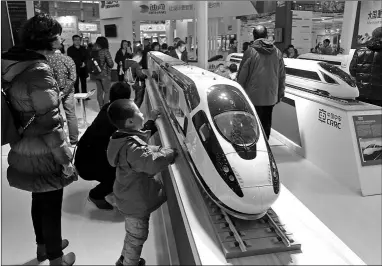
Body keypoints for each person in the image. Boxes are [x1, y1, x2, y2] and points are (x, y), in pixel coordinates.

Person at [1, 13, 77, 265]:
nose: (60, 39)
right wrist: (66, 158)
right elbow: (50, 122)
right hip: (44, 148)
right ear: (45, 39)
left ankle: (44, 247)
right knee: (51, 202)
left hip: (24, 143)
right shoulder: (38, 71)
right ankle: (56, 257)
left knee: (39, 197)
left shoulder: (14, 64)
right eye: (57, 35)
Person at [106, 99, 178, 266]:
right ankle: (130, 263)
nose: (142, 114)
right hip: (135, 202)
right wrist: (169, 153)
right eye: (139, 112)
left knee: (132, 234)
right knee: (137, 236)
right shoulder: (131, 147)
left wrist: (151, 122)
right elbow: (150, 163)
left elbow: (140, 141)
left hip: (126, 195)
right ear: (130, 121)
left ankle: (124, 259)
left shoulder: (120, 138)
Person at [74, 82, 158, 210]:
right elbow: (138, 135)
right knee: (122, 171)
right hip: (87, 165)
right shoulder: (118, 118)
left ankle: (109, 186)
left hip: (83, 158)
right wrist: (152, 121)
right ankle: (96, 195)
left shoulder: (109, 108)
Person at [237, 25, 285, 140]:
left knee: (252, 122)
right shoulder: (277, 52)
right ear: (266, 35)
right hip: (271, 95)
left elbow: (242, 75)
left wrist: (239, 93)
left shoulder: (250, 51)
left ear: (254, 36)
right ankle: (266, 145)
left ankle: (254, 147)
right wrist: (280, 93)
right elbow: (282, 75)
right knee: (266, 122)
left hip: (252, 96)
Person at [46, 49, 79, 146]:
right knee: (71, 115)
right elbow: (73, 77)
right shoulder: (68, 59)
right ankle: (74, 141)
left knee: (56, 115)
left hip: (53, 91)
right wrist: (64, 91)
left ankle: (60, 139)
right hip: (68, 91)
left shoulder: (47, 60)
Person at [350, 27, 382, 107]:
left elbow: (352, 70)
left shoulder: (360, 50)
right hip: (379, 95)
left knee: (362, 115)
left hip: (361, 91)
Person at [90, 36, 114, 109]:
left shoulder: (93, 51)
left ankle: (101, 107)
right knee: (107, 91)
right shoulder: (105, 51)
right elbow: (111, 64)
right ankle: (105, 108)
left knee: (99, 92)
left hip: (96, 74)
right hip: (105, 74)